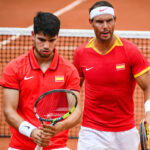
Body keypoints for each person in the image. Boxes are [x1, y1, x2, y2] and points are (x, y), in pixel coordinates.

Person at [73, 1, 150, 150]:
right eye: (100, 22)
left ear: (115, 20)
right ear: (91, 22)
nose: (105, 26)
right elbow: (74, 87)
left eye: (109, 20)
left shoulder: (130, 51)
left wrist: (149, 112)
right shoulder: (81, 53)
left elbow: (148, 85)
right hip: (92, 131)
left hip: (125, 132)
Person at [0, 11, 82, 150]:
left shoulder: (69, 70)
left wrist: (58, 127)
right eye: (42, 40)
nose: (46, 46)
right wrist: (31, 132)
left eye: (52, 40)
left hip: (57, 145)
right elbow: (9, 111)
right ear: (33, 35)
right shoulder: (14, 68)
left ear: (58, 37)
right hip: (20, 145)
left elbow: (77, 112)